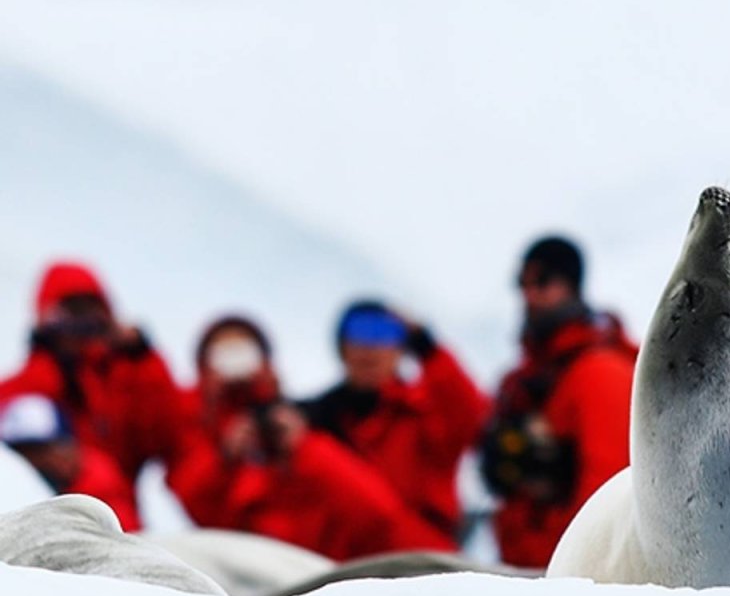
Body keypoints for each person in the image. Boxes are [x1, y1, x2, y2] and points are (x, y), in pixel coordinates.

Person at [177, 315, 452, 559]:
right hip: (279, 571)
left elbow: (376, 513)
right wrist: (225, 455)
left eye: (244, 351)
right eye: (223, 352)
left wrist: (303, 446)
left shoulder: (318, 423)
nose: (235, 362)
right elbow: (195, 504)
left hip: (391, 556)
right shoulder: (200, 427)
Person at [479, 235, 638, 568]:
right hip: (531, 568)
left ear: (572, 286)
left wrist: (580, 574)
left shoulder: (600, 372)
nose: (530, 293)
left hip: (573, 578)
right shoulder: (527, 380)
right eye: (523, 283)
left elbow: (606, 496)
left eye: (544, 281)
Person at [0, 261, 211, 506]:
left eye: (91, 311)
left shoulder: (126, 381)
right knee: (94, 475)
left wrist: (142, 357)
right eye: (71, 310)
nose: (81, 324)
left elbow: (169, 435)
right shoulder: (21, 390)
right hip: (58, 514)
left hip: (124, 523)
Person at [302, 300, 491, 548]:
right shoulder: (312, 422)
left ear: (402, 349)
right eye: (358, 335)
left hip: (421, 564)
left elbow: (475, 418)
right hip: (335, 570)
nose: (369, 348)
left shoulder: (426, 413)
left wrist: (428, 348)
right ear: (342, 349)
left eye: (383, 335)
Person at [0, 394, 141, 531]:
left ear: (68, 446)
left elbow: (124, 540)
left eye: (39, 451)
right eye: (19, 453)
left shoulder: (100, 488)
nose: (32, 462)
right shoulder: (19, 487)